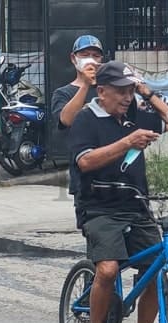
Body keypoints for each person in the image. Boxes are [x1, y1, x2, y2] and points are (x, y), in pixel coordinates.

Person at [68, 60, 168, 323]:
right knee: (107, 268)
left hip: (135, 205)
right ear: (102, 91)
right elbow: (85, 162)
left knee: (156, 268)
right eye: (121, 91)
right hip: (99, 208)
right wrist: (127, 142)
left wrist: (147, 93)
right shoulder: (86, 119)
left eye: (130, 91)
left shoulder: (135, 114)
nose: (126, 98)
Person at [51, 35, 105, 228]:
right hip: (86, 180)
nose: (91, 59)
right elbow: (66, 120)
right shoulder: (63, 93)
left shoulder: (109, 90)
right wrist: (85, 84)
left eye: (95, 55)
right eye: (85, 55)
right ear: (74, 58)